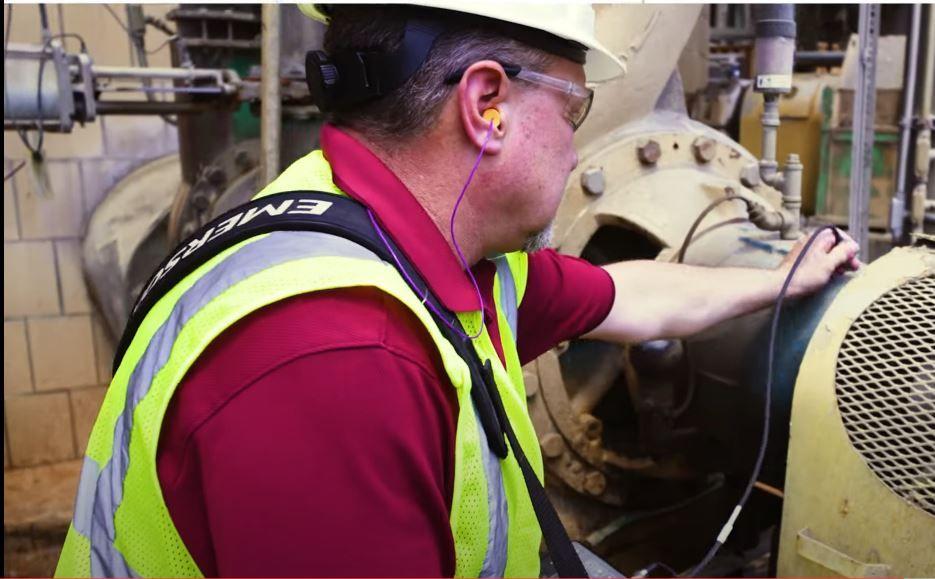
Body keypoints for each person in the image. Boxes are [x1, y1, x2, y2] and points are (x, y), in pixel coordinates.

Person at [56, 4, 860, 578]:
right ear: (487, 105)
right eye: (574, 106)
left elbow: (627, 294)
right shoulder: (336, 359)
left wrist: (777, 278)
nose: (575, 138)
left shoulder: (431, 246)